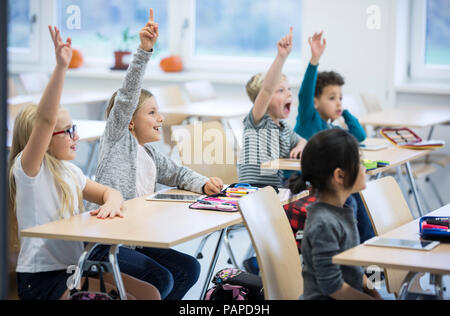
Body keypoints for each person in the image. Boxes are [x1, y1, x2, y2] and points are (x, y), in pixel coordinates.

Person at [8, 26, 159, 300]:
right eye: (67, 132)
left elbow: (106, 192)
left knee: (150, 294)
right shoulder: (29, 169)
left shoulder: (70, 171)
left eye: (73, 127)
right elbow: (44, 119)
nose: (76, 136)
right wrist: (61, 68)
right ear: (41, 140)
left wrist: (112, 201)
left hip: (75, 269)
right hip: (42, 278)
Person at [87, 9, 221, 300]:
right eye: (152, 112)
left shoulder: (149, 154)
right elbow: (127, 95)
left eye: (159, 111)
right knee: (160, 278)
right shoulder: (117, 140)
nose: (160, 118)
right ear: (129, 121)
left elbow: (180, 173)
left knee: (188, 269)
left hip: (136, 240)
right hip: (106, 244)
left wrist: (203, 183)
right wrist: (144, 52)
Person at [292, 31, 374, 243]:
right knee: (352, 200)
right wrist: (314, 61)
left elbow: (358, 136)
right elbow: (304, 93)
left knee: (355, 195)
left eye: (340, 98)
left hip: (328, 182)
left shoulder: (332, 127)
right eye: (332, 98)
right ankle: (358, 251)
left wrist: (343, 112)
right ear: (315, 101)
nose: (338, 102)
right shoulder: (308, 119)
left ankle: (366, 248)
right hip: (305, 181)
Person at [288, 128, 382, 300]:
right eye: (359, 162)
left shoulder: (345, 207)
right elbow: (332, 286)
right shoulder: (323, 223)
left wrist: (374, 291)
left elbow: (354, 269)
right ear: (339, 175)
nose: (364, 168)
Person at [238, 27, 307, 187]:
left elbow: (303, 141)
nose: (289, 94)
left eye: (289, 89)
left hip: (275, 192)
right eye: (281, 91)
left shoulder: (284, 128)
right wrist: (281, 57)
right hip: (253, 193)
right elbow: (267, 89)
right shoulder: (258, 122)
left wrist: (300, 146)